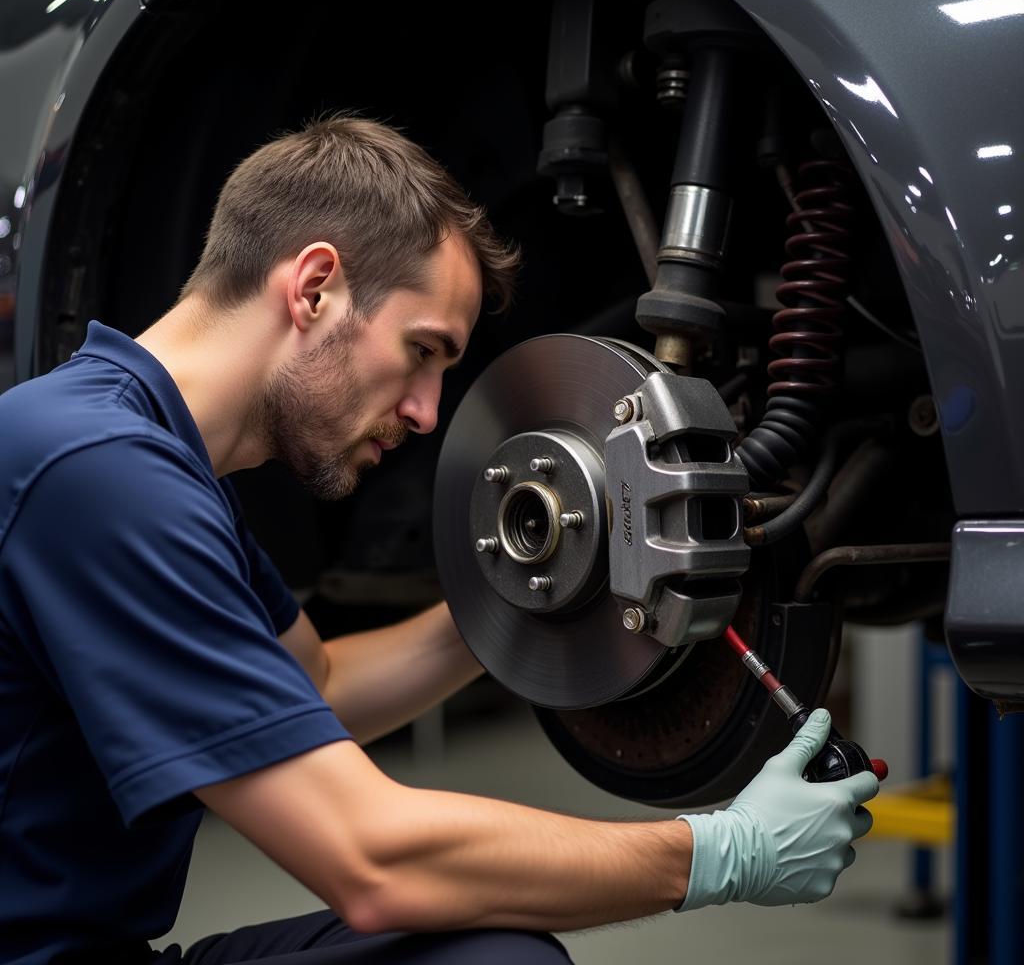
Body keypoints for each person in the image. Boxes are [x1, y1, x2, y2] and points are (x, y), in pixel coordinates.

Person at [0, 116, 878, 965]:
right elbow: (368, 860)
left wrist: (536, 589)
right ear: (314, 288)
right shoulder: (97, 472)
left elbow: (318, 687)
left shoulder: (150, 457)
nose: (426, 413)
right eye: (423, 352)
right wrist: (720, 854)